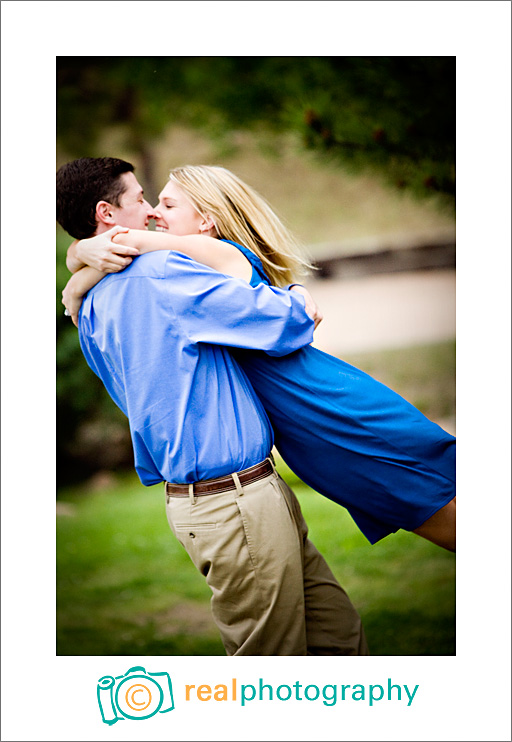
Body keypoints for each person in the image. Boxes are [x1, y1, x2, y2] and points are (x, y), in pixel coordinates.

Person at [57, 157, 369, 657]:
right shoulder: (159, 273)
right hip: (234, 502)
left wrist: (79, 263)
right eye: (140, 199)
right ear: (106, 213)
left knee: (335, 637)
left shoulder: (87, 303)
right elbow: (285, 324)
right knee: (271, 666)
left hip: (221, 500)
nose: (153, 212)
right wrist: (296, 293)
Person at [63, 164, 456, 552]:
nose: (153, 214)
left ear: (206, 221)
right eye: (153, 203)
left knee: (442, 515)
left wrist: (79, 261)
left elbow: (129, 245)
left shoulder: (212, 252)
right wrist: (80, 263)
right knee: (427, 516)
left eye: (167, 205)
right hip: (309, 432)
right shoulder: (188, 270)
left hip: (332, 411)